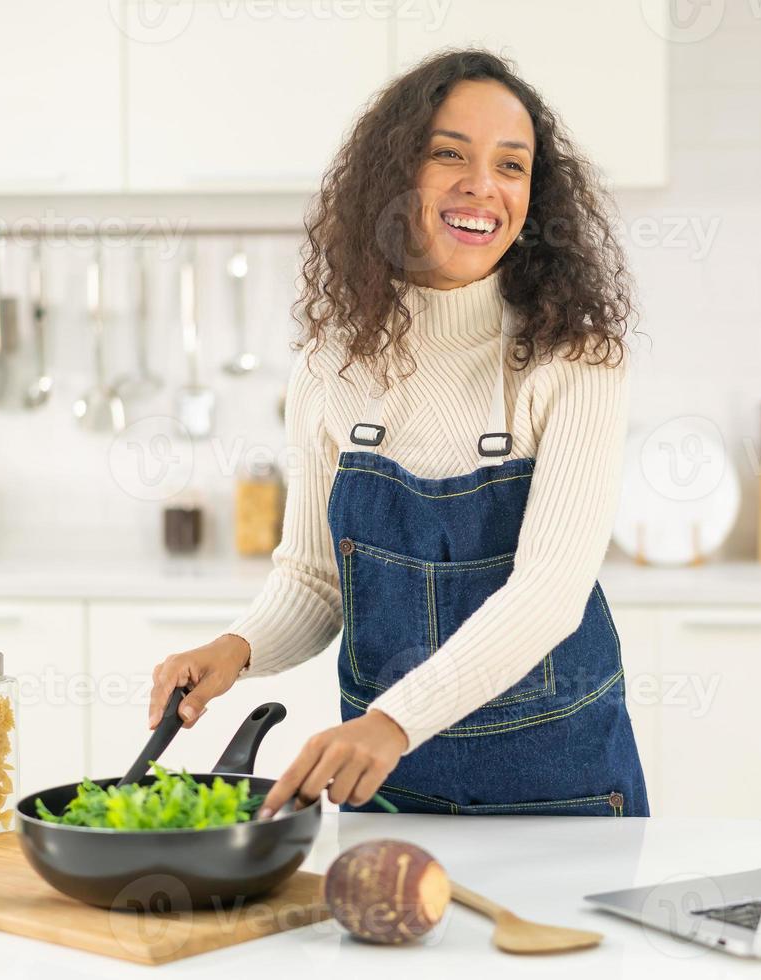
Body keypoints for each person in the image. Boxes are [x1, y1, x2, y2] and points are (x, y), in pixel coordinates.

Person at [148, 49, 647, 818]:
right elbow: (315, 580)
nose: (484, 186)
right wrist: (235, 651)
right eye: (450, 154)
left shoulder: (569, 359)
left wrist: (392, 721)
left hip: (560, 793)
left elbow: (550, 595)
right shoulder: (330, 364)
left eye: (511, 167)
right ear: (393, 178)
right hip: (390, 792)